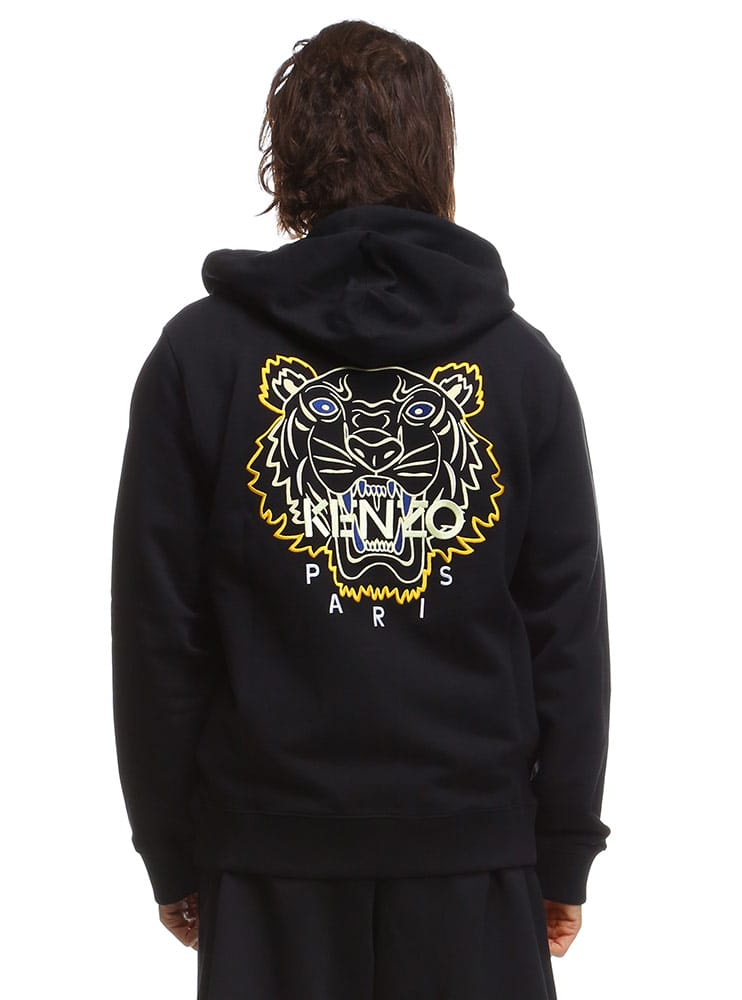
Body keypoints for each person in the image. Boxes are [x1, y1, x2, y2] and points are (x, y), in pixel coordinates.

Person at [111, 18, 612, 1000]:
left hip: (269, 869)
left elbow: (158, 632)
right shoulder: (521, 368)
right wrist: (562, 851)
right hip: (473, 867)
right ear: (439, 156)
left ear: (289, 163)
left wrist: (171, 849)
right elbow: (567, 632)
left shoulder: (199, 361)